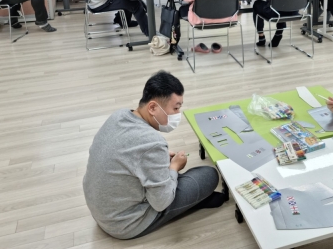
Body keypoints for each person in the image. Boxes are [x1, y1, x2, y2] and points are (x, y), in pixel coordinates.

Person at [83, 71, 226, 240]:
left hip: (101, 209)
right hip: (124, 223)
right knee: (209, 175)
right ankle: (192, 202)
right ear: (152, 107)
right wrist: (174, 167)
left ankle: (191, 198)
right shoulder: (152, 143)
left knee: (175, 180)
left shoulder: (119, 115)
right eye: (175, 108)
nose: (177, 114)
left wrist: (159, 160)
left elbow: (130, 157)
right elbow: (161, 203)